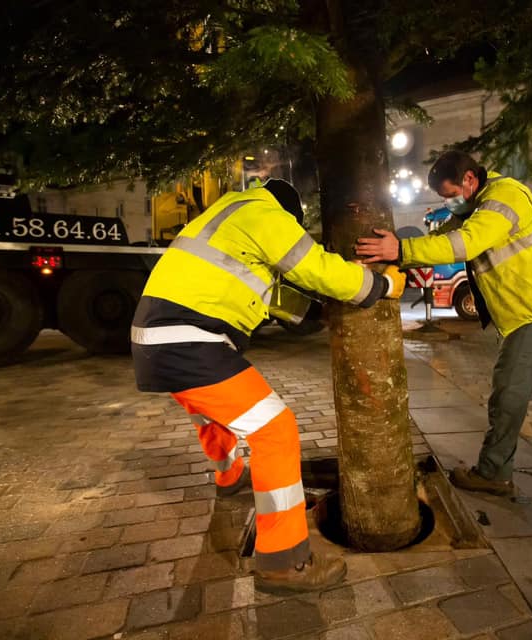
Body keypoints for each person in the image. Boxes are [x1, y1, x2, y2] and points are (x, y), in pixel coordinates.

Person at [132, 178, 405, 592]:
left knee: (212, 414)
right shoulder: (264, 215)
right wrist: (380, 286)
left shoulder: (226, 220)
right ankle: (284, 561)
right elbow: (315, 267)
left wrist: (319, 315)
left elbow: (277, 299)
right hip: (191, 340)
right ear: (288, 214)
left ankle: (229, 479)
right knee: (276, 431)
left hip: (155, 340)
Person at [355, 150, 532, 496]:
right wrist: (403, 254)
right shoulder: (478, 204)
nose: (449, 202)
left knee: (508, 387)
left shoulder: (503, 199)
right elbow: (444, 237)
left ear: (470, 180)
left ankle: (494, 471)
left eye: (451, 194)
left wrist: (401, 251)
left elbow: (466, 243)